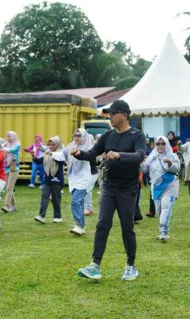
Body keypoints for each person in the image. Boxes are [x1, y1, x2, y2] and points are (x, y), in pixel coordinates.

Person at [74, 100, 146, 281]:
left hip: (128, 189)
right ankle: (95, 266)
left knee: (127, 227)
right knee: (102, 224)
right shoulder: (107, 136)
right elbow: (92, 153)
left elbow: (140, 155)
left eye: (112, 114)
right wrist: (79, 154)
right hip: (109, 187)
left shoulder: (137, 135)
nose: (110, 117)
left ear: (124, 115)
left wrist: (119, 155)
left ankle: (131, 266)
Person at [141, 136, 180, 240]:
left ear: (166, 144)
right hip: (156, 186)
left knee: (165, 206)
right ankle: (163, 230)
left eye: (163, 143)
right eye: (158, 144)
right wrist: (141, 162)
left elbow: (177, 168)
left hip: (170, 184)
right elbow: (144, 170)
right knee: (159, 211)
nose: (160, 146)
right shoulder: (152, 156)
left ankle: (163, 232)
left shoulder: (172, 155)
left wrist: (170, 163)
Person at [64, 128, 92, 235]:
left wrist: (77, 152)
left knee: (75, 201)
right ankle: (82, 227)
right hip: (73, 179)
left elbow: (86, 156)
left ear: (84, 136)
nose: (76, 137)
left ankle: (78, 225)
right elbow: (62, 154)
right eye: (75, 135)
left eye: (79, 136)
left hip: (83, 179)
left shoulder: (88, 147)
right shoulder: (71, 146)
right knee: (79, 203)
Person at [34, 136, 65, 224]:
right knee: (44, 197)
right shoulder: (47, 153)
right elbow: (38, 161)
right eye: (50, 144)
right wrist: (33, 155)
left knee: (56, 199)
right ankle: (41, 216)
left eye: (53, 144)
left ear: (57, 145)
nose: (51, 146)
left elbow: (60, 161)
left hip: (57, 180)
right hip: (47, 179)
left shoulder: (61, 153)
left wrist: (51, 154)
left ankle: (57, 217)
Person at [2, 131, 21, 213]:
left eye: (9, 136)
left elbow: (13, 150)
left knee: (9, 188)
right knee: (8, 188)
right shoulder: (6, 144)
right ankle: (14, 206)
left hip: (14, 168)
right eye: (7, 136)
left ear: (13, 136)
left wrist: (3, 148)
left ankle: (6, 205)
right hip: (6, 167)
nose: (8, 138)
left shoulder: (17, 144)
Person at [84, 134, 99, 216]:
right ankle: (89, 208)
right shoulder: (84, 148)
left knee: (87, 189)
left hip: (92, 172)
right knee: (87, 190)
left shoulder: (93, 149)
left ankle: (88, 208)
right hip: (87, 173)